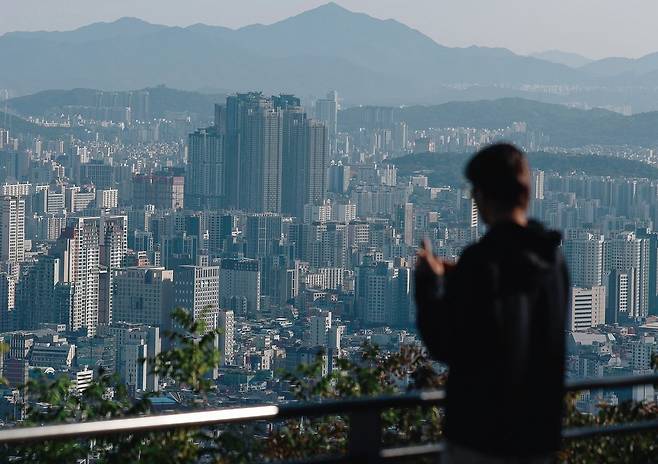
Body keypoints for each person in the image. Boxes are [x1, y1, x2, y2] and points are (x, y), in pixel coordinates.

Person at [415, 143, 569, 464]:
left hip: (482, 437)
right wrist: (458, 274)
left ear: (482, 196)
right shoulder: (552, 259)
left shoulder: (482, 261)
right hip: (538, 435)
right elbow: (515, 296)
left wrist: (429, 283)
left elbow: (445, 343)